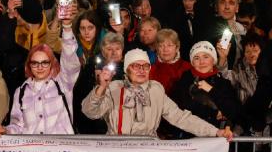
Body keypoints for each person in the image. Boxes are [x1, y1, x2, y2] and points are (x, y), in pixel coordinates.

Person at [81, 48, 234, 139]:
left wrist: (215, 132)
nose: (141, 70)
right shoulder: (114, 87)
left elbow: (180, 117)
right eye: (136, 66)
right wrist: (100, 88)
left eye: (145, 66)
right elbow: (90, 112)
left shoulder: (156, 89)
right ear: (127, 70)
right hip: (118, 151)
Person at [0, 1, 80, 136]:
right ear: (29, 65)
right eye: (35, 63)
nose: (40, 67)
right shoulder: (21, 91)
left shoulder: (63, 83)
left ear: (52, 63)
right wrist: (6, 130)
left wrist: (67, 27)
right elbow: (18, 125)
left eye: (45, 62)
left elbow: (70, 59)